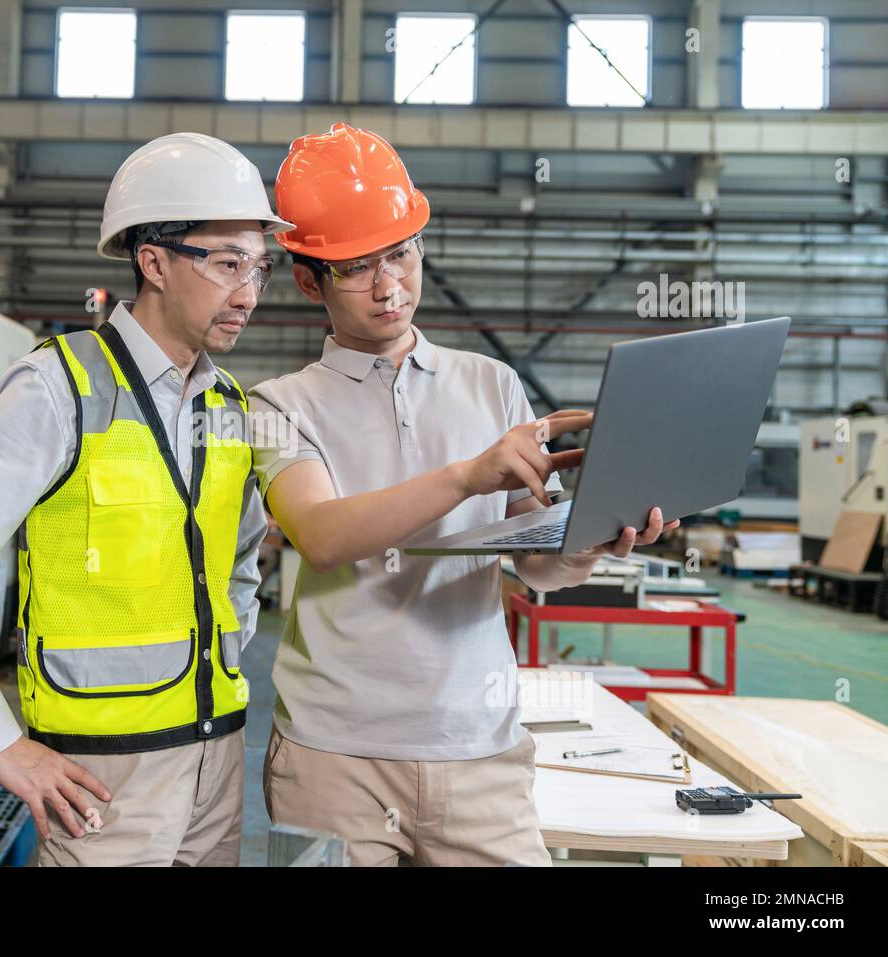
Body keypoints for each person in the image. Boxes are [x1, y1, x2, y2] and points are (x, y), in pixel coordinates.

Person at [249, 123, 678, 866]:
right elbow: (320, 532)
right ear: (307, 278)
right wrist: (466, 476)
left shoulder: (492, 384)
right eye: (356, 267)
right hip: (334, 760)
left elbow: (531, 564)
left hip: (479, 752)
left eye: (401, 254)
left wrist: (589, 542)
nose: (388, 286)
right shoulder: (278, 406)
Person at [0, 132, 293, 866]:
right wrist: (1, 740)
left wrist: (217, 662)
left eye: (261, 266)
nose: (250, 293)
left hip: (219, 761)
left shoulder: (232, 407)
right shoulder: (58, 387)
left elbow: (237, 568)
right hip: (100, 780)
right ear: (154, 261)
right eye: (228, 263)